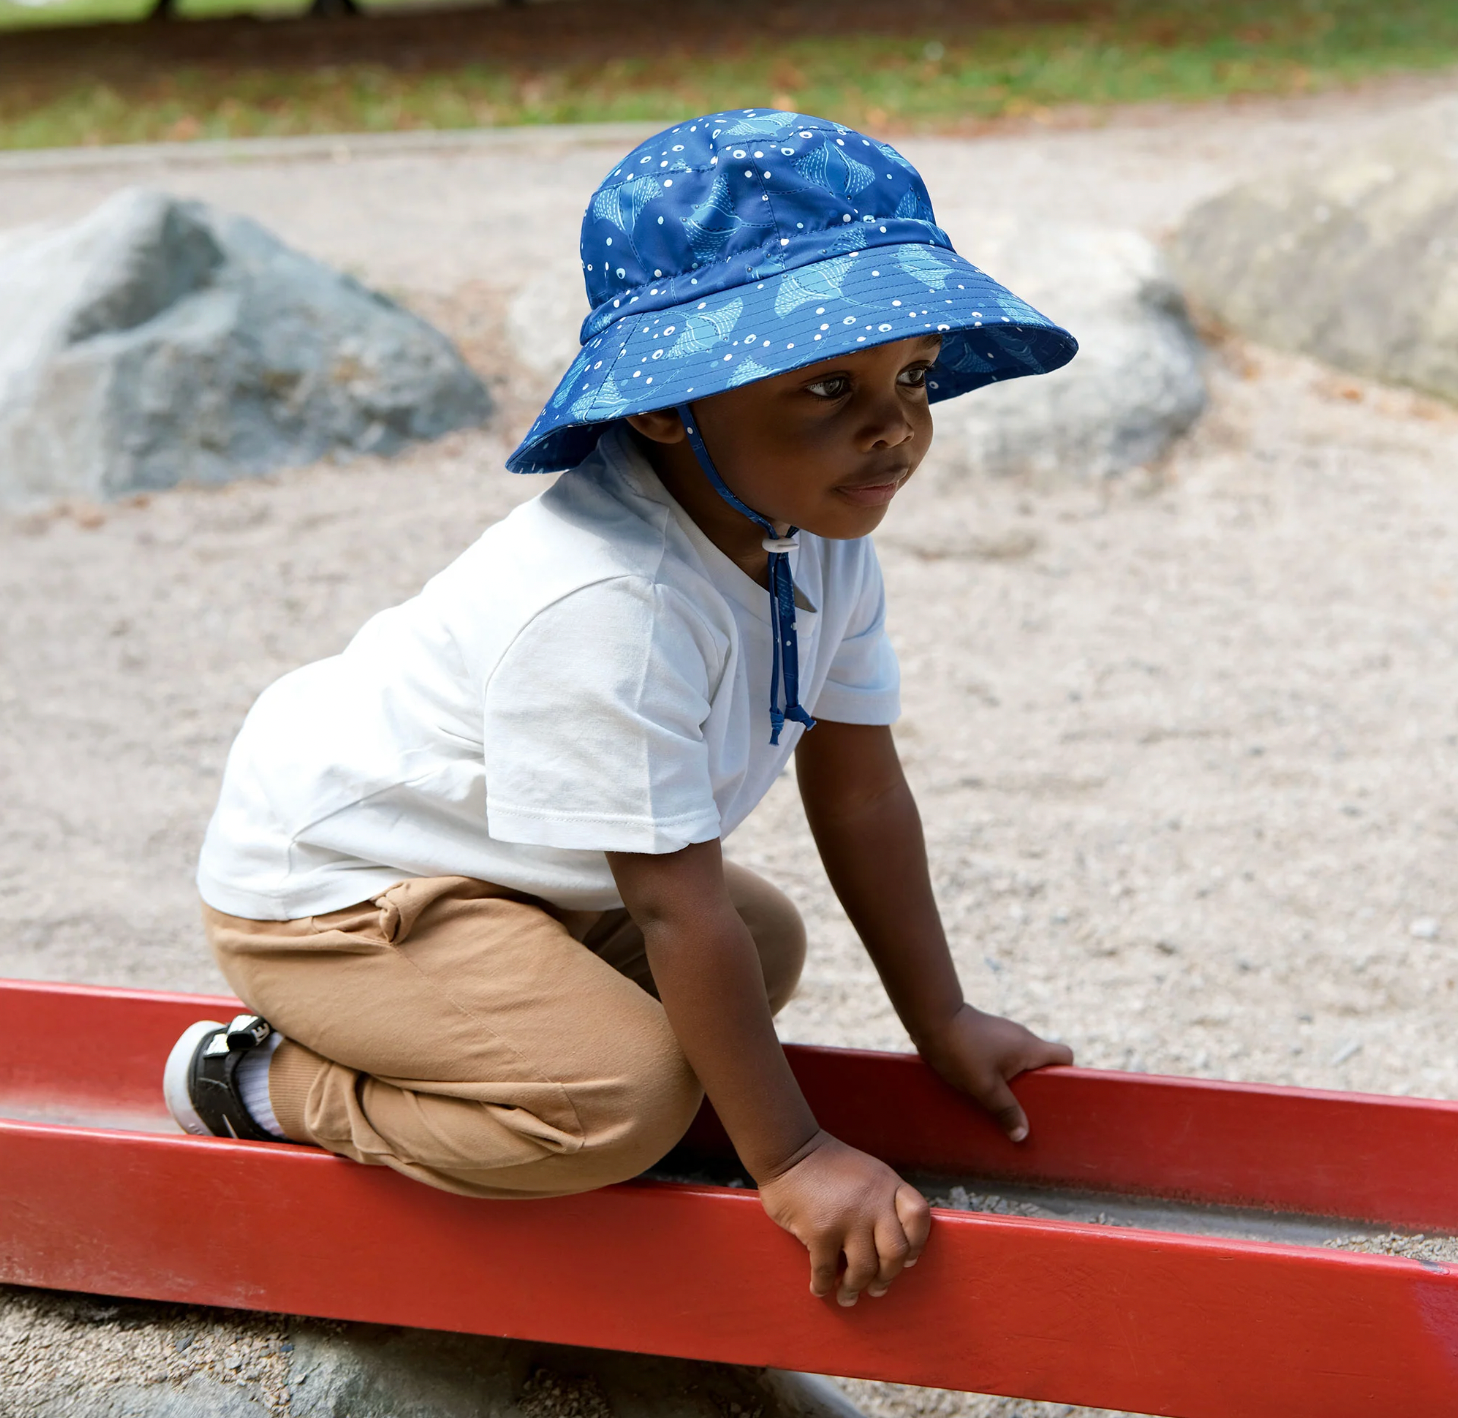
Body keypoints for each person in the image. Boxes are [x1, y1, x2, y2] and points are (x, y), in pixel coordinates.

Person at [165, 110, 1079, 1308]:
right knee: (621, 1102)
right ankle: (256, 1080)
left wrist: (942, 1017)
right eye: (827, 386)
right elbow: (667, 900)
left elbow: (859, 790)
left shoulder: (815, 531)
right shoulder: (610, 603)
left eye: (912, 374)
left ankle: (481, 1032)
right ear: (661, 406)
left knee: (763, 942)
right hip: (336, 894)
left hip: (504, 867)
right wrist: (794, 1157)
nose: (895, 426)